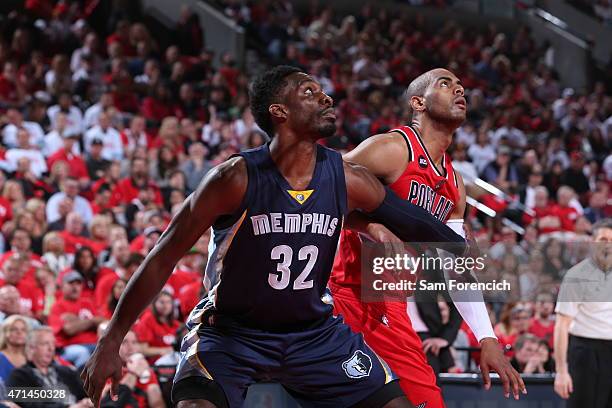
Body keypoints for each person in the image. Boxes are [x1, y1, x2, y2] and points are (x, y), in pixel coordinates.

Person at [81, 66, 470, 408]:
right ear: (279, 112)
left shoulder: (346, 178)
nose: (326, 96)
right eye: (309, 93)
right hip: (232, 332)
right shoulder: (234, 178)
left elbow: (419, 223)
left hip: (314, 336)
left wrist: (457, 250)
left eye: (322, 91)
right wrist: (110, 340)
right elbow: (162, 258)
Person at [330, 68, 524, 407]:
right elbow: (319, 188)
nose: (459, 90)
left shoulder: (454, 185)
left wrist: (487, 336)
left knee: (428, 401)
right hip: (342, 294)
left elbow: (456, 266)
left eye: (462, 86)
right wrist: (368, 225)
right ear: (418, 102)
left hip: (390, 306)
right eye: (446, 84)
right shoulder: (392, 148)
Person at [554, 219, 612, 407]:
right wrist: (561, 371)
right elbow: (561, 326)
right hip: (586, 352)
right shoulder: (576, 275)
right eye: (603, 239)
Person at [7, 326, 92, 408]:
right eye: (45, 343)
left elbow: (85, 394)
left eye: (53, 344)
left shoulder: (66, 372)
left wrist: (87, 401)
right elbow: (32, 405)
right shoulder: (19, 376)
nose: (51, 348)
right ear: (31, 348)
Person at [0, 315, 30, 381]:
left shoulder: (32, 358)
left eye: (23, 330)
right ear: (5, 333)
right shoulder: (1, 357)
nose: (19, 332)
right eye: (14, 329)